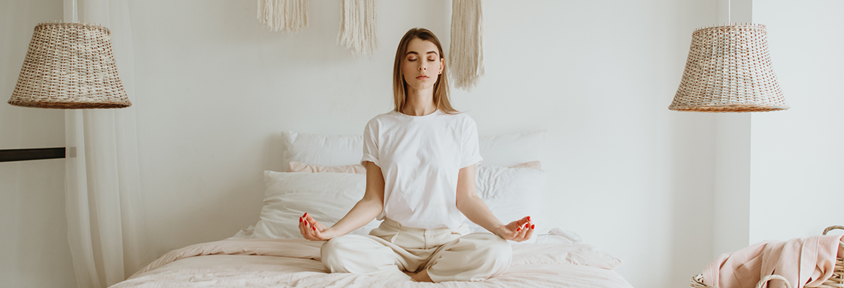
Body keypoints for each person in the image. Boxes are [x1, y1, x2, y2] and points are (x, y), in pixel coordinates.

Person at [297, 28, 534, 283]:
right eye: (413, 58)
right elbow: (373, 200)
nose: (423, 65)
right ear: (401, 66)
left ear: (441, 66)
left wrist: (500, 228)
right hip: (393, 242)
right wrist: (332, 231)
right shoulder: (379, 127)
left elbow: (467, 197)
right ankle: (407, 272)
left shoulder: (461, 125)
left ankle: (421, 277)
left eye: (431, 58)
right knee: (334, 251)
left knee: (498, 252)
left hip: (448, 240)